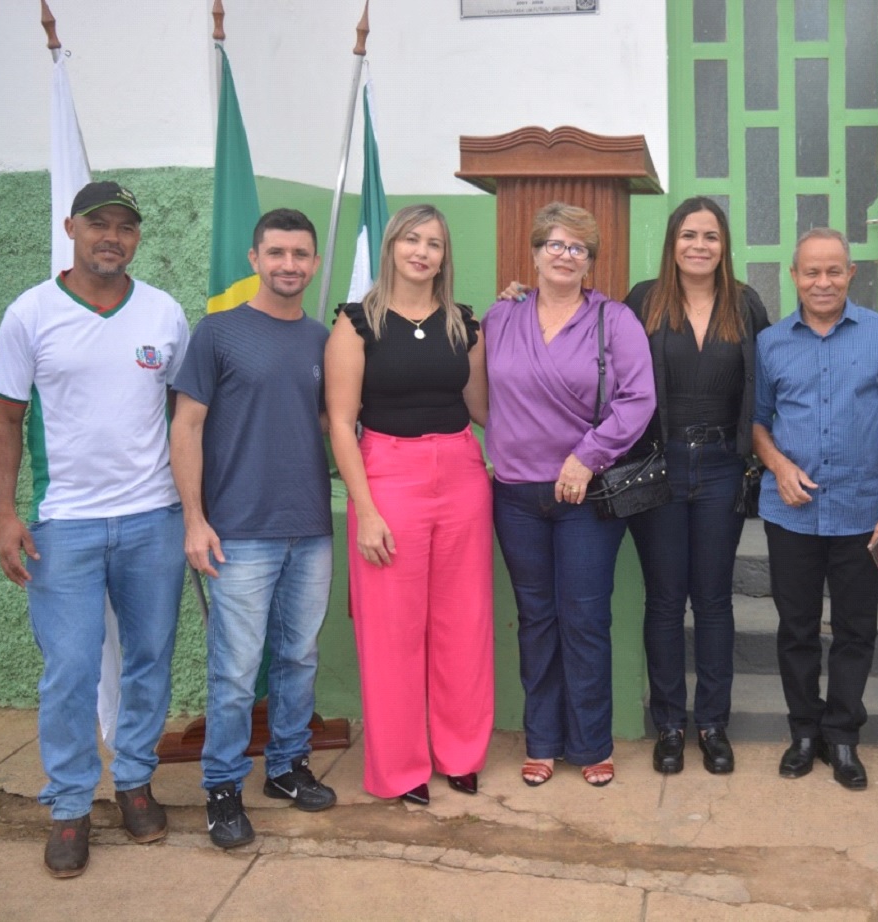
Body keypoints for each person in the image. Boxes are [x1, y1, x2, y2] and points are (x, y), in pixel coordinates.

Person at [0, 181, 189, 877]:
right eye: (99, 223)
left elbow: (186, 417)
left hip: (153, 518)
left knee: (149, 658)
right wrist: (5, 515)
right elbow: (3, 418)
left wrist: (194, 509)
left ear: (137, 237)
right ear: (71, 227)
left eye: (125, 226)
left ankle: (133, 781)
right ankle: (71, 805)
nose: (112, 236)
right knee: (70, 669)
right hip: (64, 525)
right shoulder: (31, 313)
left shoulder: (163, 312)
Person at [170, 208, 337, 849]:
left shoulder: (323, 339)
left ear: (314, 263)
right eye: (276, 253)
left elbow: (327, 423)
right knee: (237, 669)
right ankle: (222, 787)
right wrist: (194, 519)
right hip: (238, 530)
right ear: (254, 259)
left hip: (310, 527)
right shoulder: (217, 332)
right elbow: (186, 426)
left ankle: (287, 767)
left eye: (300, 254)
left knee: (298, 656)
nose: (288, 265)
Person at [483, 202, 655, 788]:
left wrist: (587, 457)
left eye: (577, 247)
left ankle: (590, 743)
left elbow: (638, 399)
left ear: (590, 261)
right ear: (534, 253)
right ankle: (542, 741)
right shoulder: (501, 317)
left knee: (583, 618)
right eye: (554, 244)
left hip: (586, 495)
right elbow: (480, 396)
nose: (565, 255)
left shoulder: (614, 321)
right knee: (535, 619)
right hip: (515, 495)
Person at [327, 204, 493, 806]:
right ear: (392, 246)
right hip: (388, 479)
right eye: (412, 240)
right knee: (392, 631)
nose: (422, 252)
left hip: (461, 475)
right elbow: (341, 424)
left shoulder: (464, 323)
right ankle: (400, 767)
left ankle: (461, 753)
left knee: (463, 622)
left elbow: (483, 410)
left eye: (434, 244)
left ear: (445, 257)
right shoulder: (355, 324)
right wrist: (365, 510)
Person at [753, 227, 878, 791]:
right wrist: (778, 465)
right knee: (796, 628)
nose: (823, 282)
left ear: (851, 274)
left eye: (834, 271)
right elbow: (757, 422)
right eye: (811, 272)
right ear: (794, 276)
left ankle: (842, 735)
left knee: (855, 629)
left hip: (863, 511)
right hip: (790, 513)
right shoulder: (770, 343)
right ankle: (803, 732)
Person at [623, 197, 770, 775]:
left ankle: (711, 723)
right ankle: (668, 724)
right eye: (689, 235)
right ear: (672, 242)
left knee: (712, 599)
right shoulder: (643, 300)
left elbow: (769, 377)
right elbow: (596, 346)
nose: (699, 246)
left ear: (723, 244)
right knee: (664, 599)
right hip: (657, 465)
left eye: (710, 236)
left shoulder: (745, 303)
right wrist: (520, 299)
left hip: (720, 467)